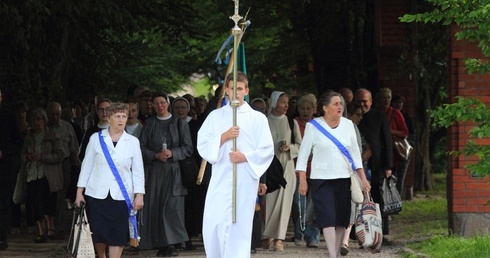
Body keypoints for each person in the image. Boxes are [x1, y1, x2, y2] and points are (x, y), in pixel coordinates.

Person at [197, 72, 274, 258]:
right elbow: (202, 144)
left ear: (246, 91)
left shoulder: (258, 119)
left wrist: (244, 157)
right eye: (232, 88)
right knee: (214, 222)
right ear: (226, 91)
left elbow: (267, 150)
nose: (236, 93)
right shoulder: (215, 117)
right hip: (221, 177)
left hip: (245, 179)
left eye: (240, 89)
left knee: (238, 225)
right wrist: (224, 137)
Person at [297, 91, 370, 258]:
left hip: (343, 178)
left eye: (341, 104)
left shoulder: (348, 125)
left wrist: (363, 179)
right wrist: (302, 180)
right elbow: (302, 157)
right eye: (336, 104)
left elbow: (355, 156)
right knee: (327, 217)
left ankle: (335, 253)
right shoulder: (313, 127)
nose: (340, 106)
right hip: (321, 179)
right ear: (325, 108)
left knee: (341, 220)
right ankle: (332, 254)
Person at [75, 102, 144, 258]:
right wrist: (79, 192)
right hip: (97, 194)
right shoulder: (95, 139)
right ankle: (101, 255)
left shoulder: (133, 142)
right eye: (117, 116)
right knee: (98, 232)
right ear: (109, 118)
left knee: (117, 234)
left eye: (124, 116)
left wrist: (140, 194)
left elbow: (138, 171)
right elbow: (86, 167)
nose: (121, 120)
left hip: (122, 195)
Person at [138, 92, 192, 257]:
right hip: (154, 172)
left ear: (168, 103)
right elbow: (141, 147)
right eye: (156, 103)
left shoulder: (179, 124)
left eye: (162, 102)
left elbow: (188, 148)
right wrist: (155, 155)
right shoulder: (149, 124)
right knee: (155, 207)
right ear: (153, 106)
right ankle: (159, 244)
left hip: (174, 172)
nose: (160, 106)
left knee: (172, 208)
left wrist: (172, 153)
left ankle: (172, 244)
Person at [262, 91, 302, 252]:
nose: (286, 106)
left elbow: (301, 145)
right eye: (282, 102)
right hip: (269, 168)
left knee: (285, 205)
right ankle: (267, 236)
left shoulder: (292, 122)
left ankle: (279, 238)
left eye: (287, 103)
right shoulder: (264, 121)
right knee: (269, 204)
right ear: (274, 103)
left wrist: (289, 148)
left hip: (287, 168)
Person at [21, 108, 64, 244]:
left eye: (39, 119)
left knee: (47, 202)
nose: (36, 122)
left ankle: (50, 227)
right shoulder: (29, 137)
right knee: (34, 203)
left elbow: (60, 155)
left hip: (47, 174)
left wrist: (43, 157)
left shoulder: (52, 135)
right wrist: (28, 157)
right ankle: (41, 232)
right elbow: (21, 155)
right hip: (33, 173)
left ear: (44, 121)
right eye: (34, 119)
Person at [354, 88, 393, 235]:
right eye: (359, 101)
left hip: (375, 164)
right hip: (357, 165)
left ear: (370, 101)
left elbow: (387, 141)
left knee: (377, 197)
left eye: (365, 101)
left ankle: (381, 230)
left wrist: (388, 166)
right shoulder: (351, 118)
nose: (362, 104)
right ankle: (358, 231)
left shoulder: (379, 116)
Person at [341, 101, 372, 256]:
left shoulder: (355, 129)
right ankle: (346, 239)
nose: (360, 118)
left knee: (353, 205)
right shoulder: (348, 128)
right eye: (358, 115)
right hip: (352, 172)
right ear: (350, 115)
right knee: (353, 205)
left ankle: (346, 239)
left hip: (351, 172)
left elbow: (366, 149)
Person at [46, 102, 80, 236]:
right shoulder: (44, 127)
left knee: (60, 195)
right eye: (52, 114)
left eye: (57, 114)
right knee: (48, 195)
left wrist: (74, 165)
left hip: (63, 164)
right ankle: (48, 226)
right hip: (47, 165)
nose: (55, 117)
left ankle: (58, 226)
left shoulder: (67, 127)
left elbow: (73, 148)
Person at [292, 93, 320, 248]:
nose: (305, 111)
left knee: (314, 205)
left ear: (314, 109)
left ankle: (313, 237)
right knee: (299, 205)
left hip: (316, 171)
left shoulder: (318, 125)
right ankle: (299, 233)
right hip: (298, 171)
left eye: (308, 108)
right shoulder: (294, 123)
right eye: (302, 108)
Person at [0, 89, 23, 250]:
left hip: (4, 167)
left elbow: (17, 141)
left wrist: (5, 152)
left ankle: (1, 237)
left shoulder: (8, 116)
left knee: (3, 201)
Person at [391, 94, 414, 197]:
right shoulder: (387, 114)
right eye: (397, 102)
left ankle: (397, 199)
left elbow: (408, 133)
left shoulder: (406, 117)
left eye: (401, 102)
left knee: (400, 176)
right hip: (390, 150)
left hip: (402, 149)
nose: (399, 104)